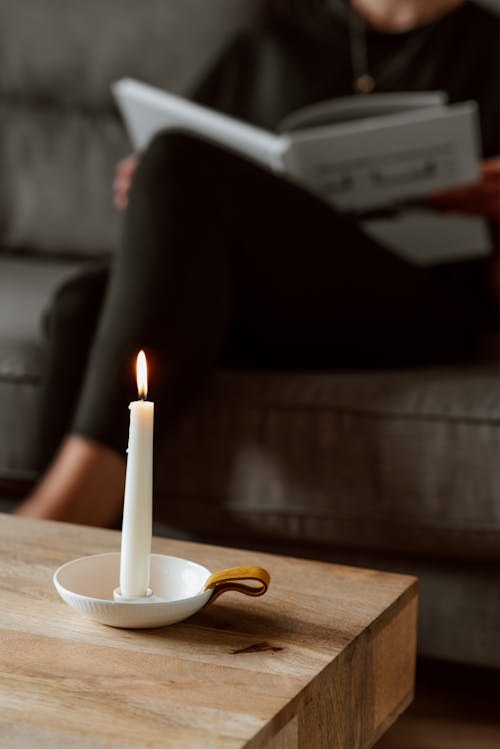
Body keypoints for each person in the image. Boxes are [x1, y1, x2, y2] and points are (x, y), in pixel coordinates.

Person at [16, 0, 500, 525]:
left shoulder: (489, 49)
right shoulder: (276, 39)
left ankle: (63, 518)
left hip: (418, 306)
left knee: (179, 163)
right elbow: (186, 163)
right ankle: (71, 574)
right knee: (81, 302)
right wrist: (151, 182)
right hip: (281, 304)